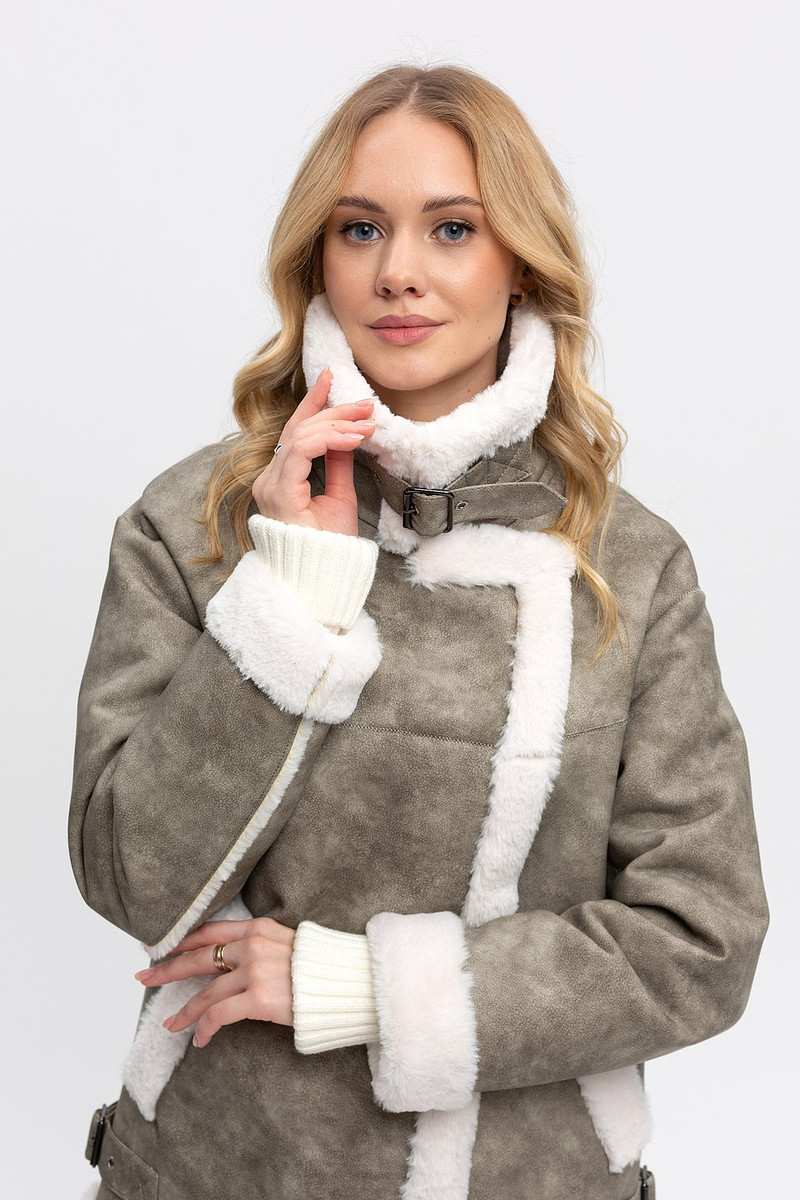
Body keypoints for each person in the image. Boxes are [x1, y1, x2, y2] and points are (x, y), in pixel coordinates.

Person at [70, 63, 769, 1200]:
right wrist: (292, 593)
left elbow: (702, 939)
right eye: (360, 229)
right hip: (218, 1167)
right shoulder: (194, 525)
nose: (398, 271)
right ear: (318, 259)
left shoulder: (631, 569)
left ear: (519, 261)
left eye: (452, 228)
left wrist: (363, 989)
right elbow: (127, 877)